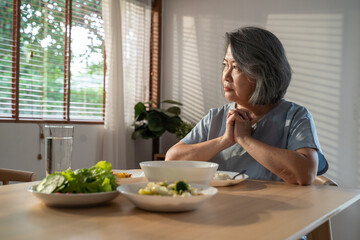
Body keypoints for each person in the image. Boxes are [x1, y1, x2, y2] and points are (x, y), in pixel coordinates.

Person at [165, 26, 328, 185]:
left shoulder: (295, 116)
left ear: (263, 72)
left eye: (236, 67)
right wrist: (225, 140)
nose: (226, 76)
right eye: (225, 65)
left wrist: (245, 139)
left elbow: (305, 175)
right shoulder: (216, 117)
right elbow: (172, 160)